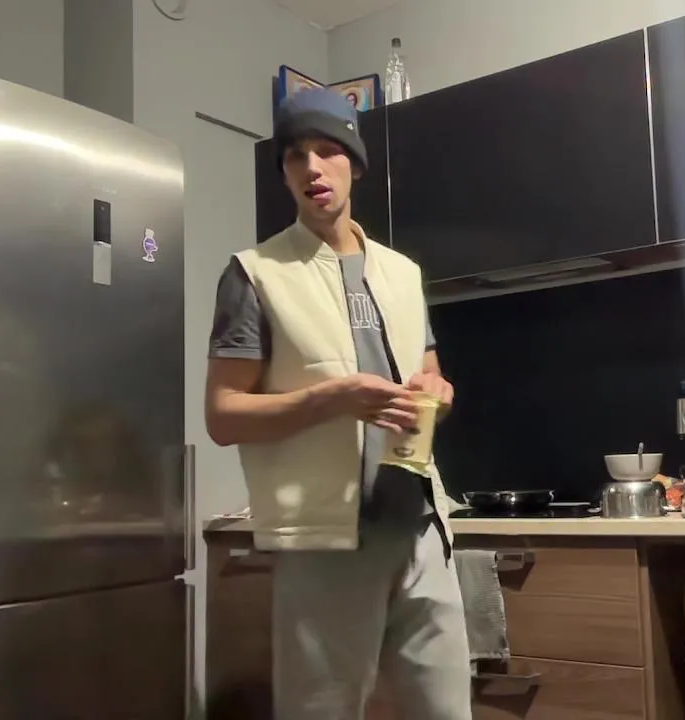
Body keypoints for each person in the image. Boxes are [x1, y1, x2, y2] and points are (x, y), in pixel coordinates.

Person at [203, 89, 471, 720]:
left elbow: (429, 372)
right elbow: (223, 414)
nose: (313, 168)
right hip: (324, 540)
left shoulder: (402, 273)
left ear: (356, 163)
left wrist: (438, 393)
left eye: (328, 151)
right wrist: (334, 398)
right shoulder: (256, 273)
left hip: (421, 530)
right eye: (296, 156)